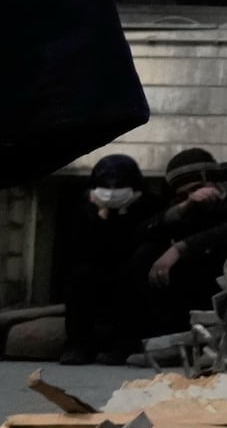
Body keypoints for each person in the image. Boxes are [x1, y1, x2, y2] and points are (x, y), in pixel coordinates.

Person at [57, 152, 160, 362]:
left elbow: (142, 240)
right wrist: (101, 215)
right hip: (95, 273)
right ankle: (78, 346)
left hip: (131, 276)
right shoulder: (84, 208)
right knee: (80, 276)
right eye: (106, 186)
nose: (112, 192)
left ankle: (124, 346)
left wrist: (125, 213)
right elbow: (81, 248)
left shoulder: (149, 206)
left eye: (119, 186)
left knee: (131, 276)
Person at [144, 149, 227, 330]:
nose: (193, 195)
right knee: (147, 253)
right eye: (184, 193)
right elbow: (146, 230)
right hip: (199, 270)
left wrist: (180, 248)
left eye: (196, 188)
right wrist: (186, 206)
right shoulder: (189, 203)